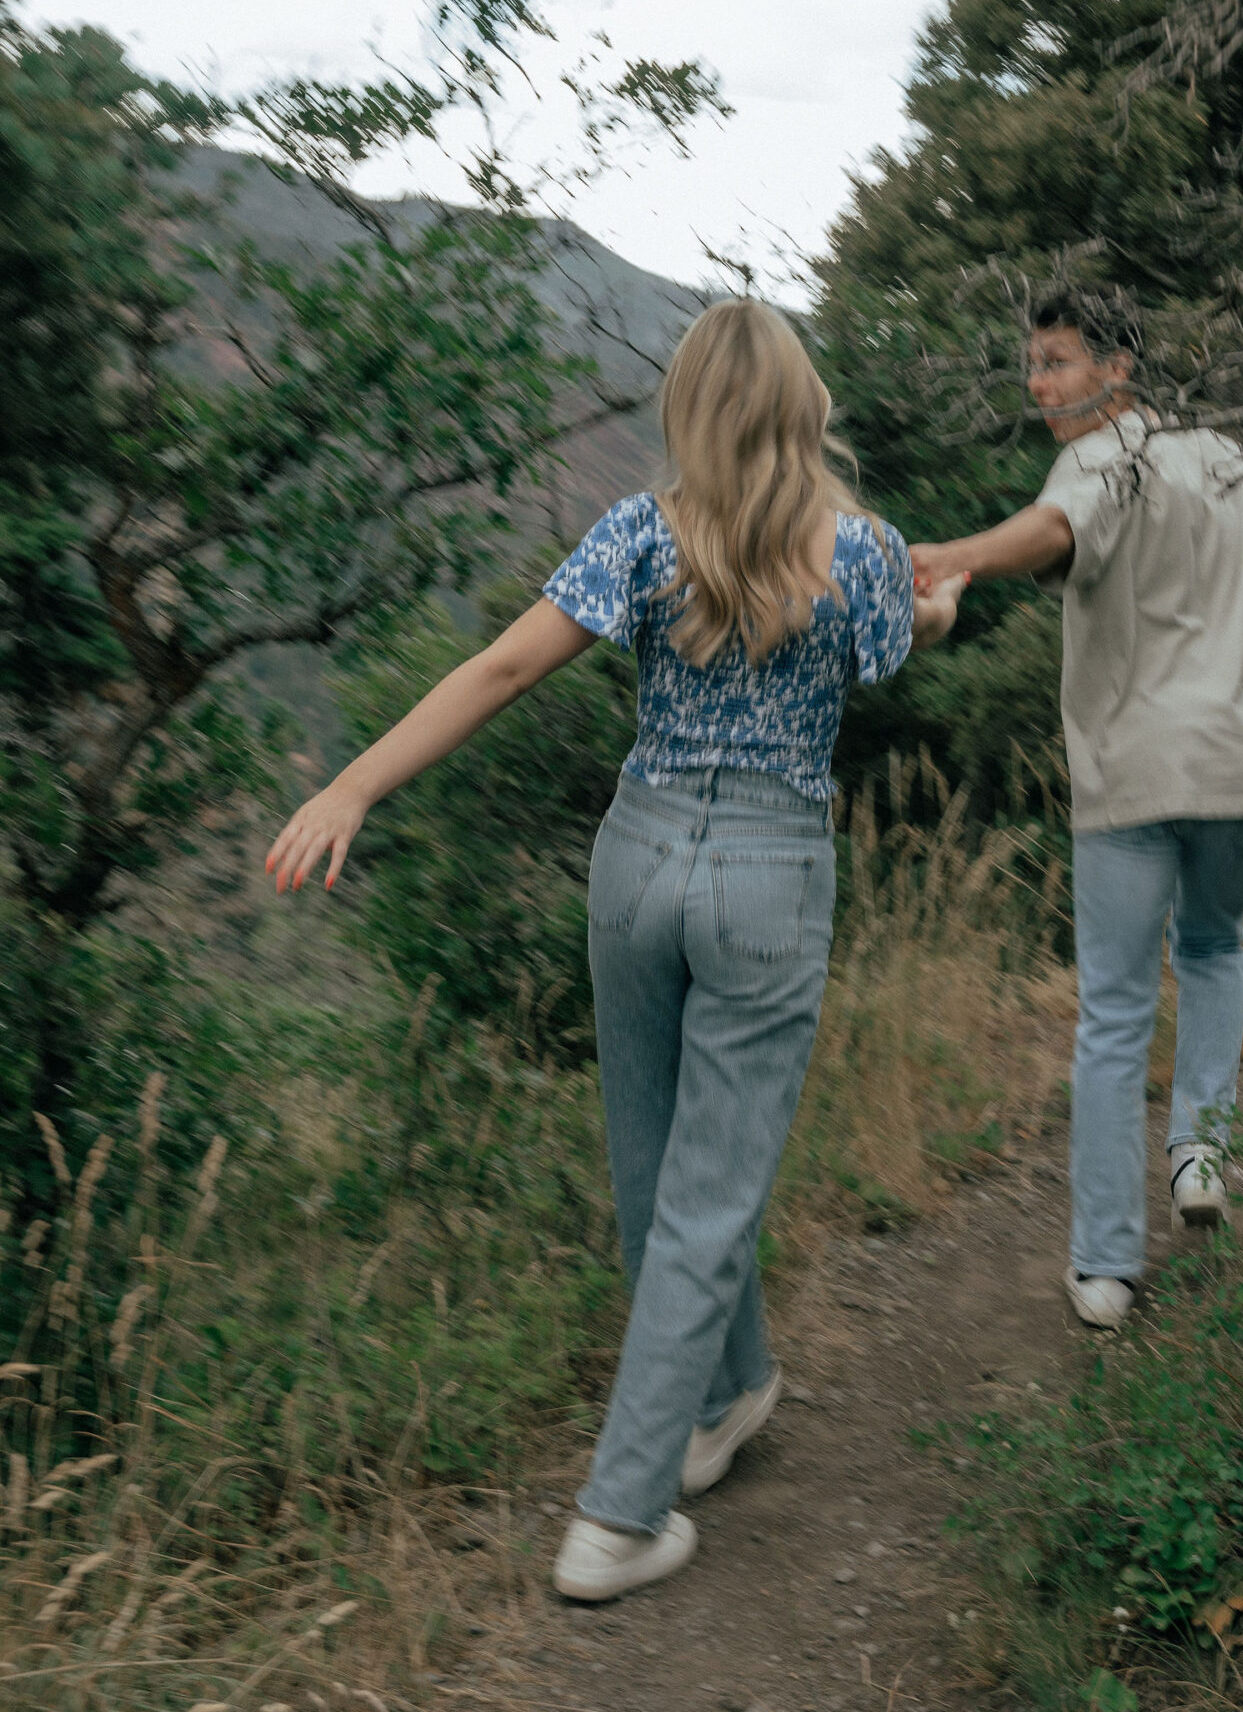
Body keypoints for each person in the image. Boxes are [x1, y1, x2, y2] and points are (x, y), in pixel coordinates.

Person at [265, 299, 964, 1599]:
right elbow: (894, 642)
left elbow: (498, 671)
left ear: (687, 414)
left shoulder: (640, 536)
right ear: (804, 409)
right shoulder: (864, 551)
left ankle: (729, 1393)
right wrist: (942, 609)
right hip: (766, 874)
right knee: (708, 1193)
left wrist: (353, 786)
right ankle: (618, 1518)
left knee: (656, 1175)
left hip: (636, 863)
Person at [910, 286, 1243, 1331]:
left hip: (1131, 775)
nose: (1039, 383)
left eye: (1058, 360)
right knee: (1214, 948)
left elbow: (1048, 531)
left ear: (1120, 369)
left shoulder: (1093, 460)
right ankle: (1201, 1153)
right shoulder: (1230, 458)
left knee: (1116, 1010)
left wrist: (955, 556)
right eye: (1031, 364)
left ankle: (1105, 1267)